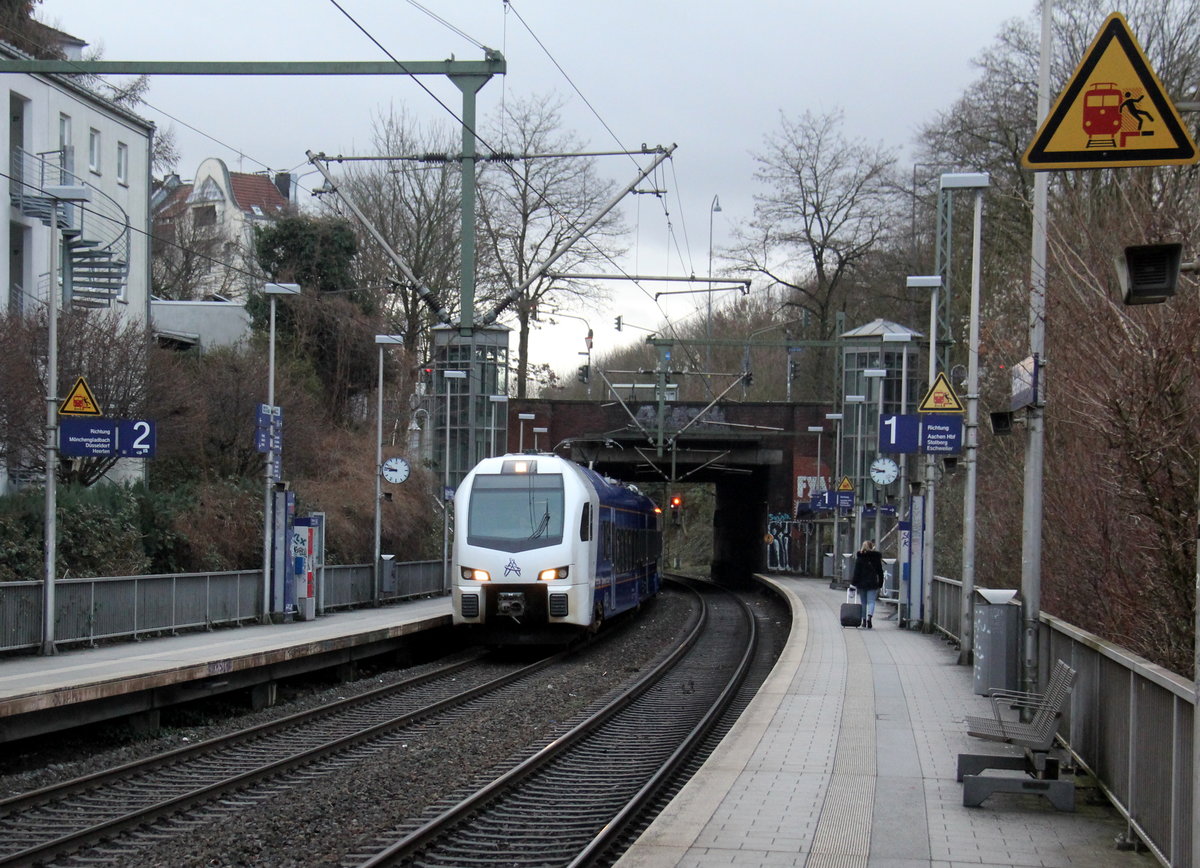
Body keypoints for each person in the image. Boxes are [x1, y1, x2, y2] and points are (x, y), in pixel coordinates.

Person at [850, 539, 884, 629]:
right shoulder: (876, 558)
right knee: (871, 601)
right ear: (871, 546)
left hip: (862, 583)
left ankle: (864, 621)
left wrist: (853, 584)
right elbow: (880, 572)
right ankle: (869, 618)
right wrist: (880, 583)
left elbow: (856, 573)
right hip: (872, 583)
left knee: (863, 602)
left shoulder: (860, 558)